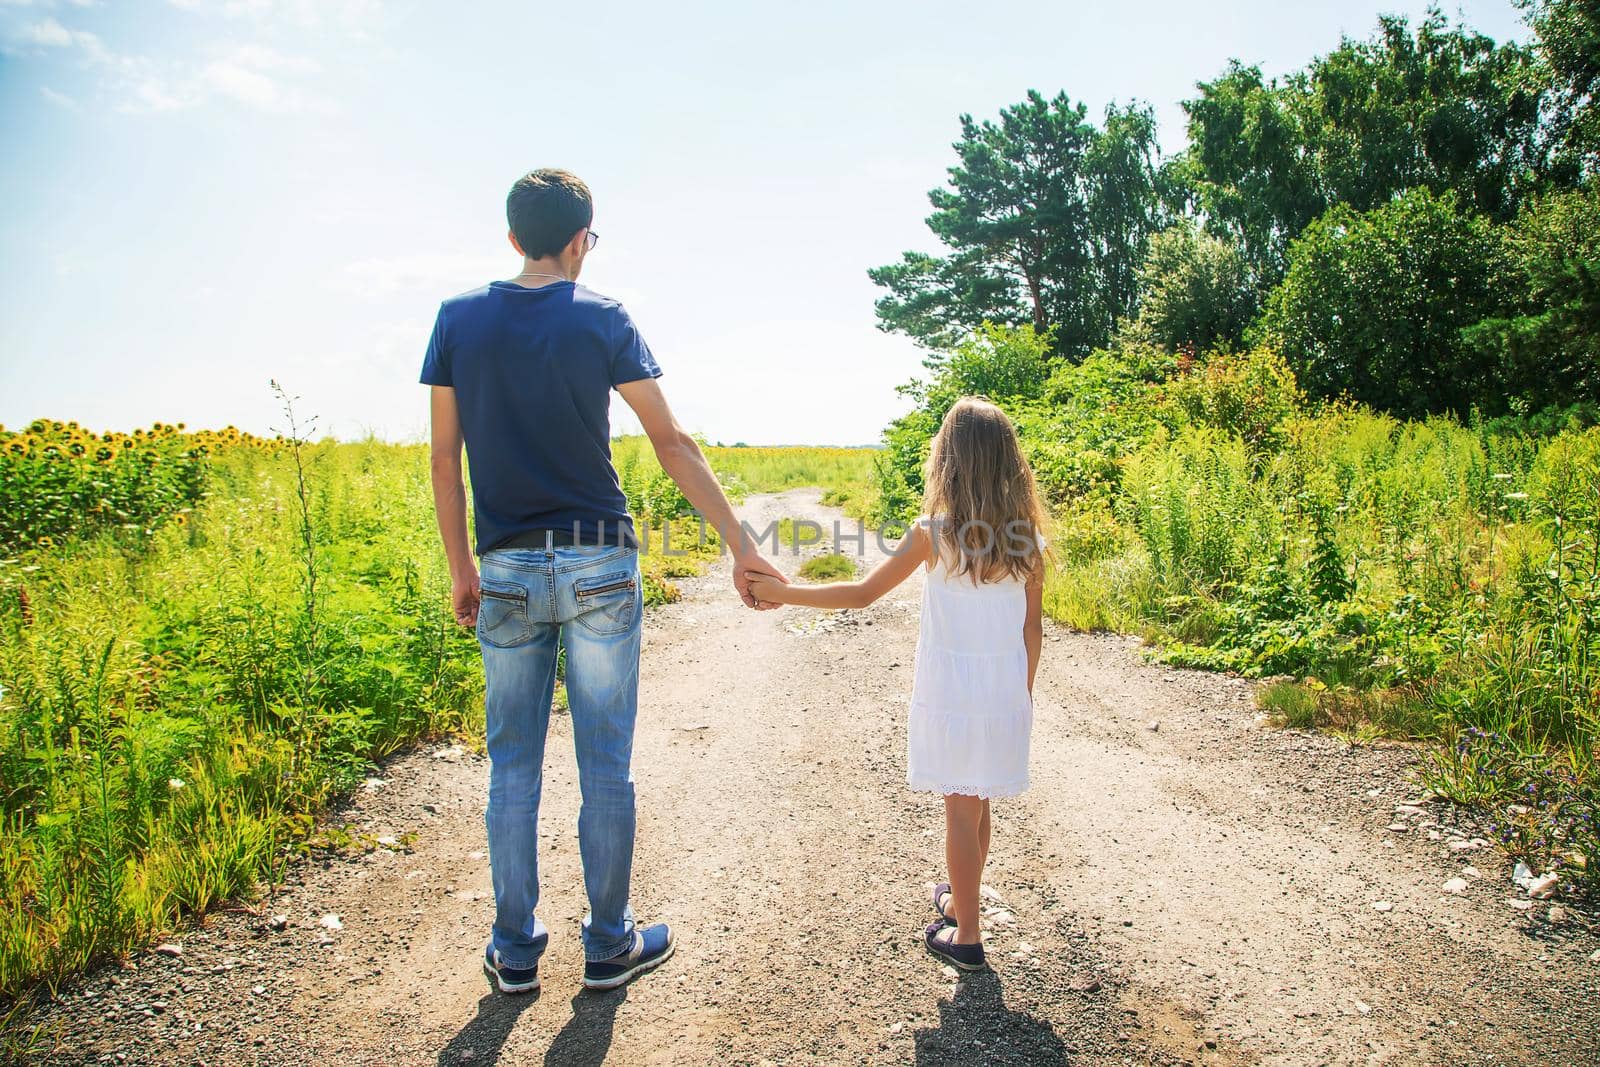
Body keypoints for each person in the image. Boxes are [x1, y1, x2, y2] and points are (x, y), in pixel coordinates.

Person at [424, 168, 786, 995]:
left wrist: (461, 564)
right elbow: (671, 439)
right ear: (582, 239)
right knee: (605, 761)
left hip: (508, 563)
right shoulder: (604, 318)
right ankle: (610, 942)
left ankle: (514, 949)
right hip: (598, 558)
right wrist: (741, 544)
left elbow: (445, 456)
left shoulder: (457, 321)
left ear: (513, 238)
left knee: (512, 763)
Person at [747, 397, 1045, 972]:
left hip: (953, 695)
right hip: (1005, 694)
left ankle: (968, 938)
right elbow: (1032, 629)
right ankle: (962, 903)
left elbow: (861, 594)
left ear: (948, 461)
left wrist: (784, 594)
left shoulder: (933, 534)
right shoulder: (1024, 538)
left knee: (960, 811)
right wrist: (1020, 694)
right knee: (977, 805)